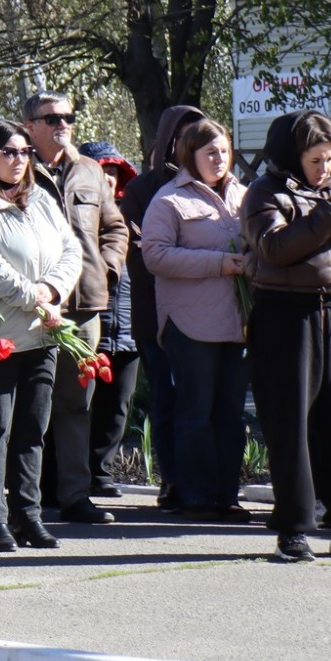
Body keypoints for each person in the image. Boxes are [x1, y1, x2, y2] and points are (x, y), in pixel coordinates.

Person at [242, 110, 331, 562]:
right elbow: (276, 249)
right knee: (290, 424)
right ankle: (293, 528)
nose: (326, 169)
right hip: (286, 316)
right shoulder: (265, 192)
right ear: (292, 156)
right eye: (315, 160)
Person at [0, 120, 81, 552]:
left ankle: (28, 515)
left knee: (32, 430)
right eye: (8, 152)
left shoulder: (41, 198)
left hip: (41, 333)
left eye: (25, 152)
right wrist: (36, 299)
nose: (18, 160)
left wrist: (52, 293)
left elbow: (71, 250)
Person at [20, 93, 128, 527]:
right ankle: (27, 497)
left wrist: (109, 269)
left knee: (75, 404)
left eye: (68, 116)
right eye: (51, 118)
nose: (62, 123)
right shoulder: (16, 166)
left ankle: (75, 496)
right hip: (32, 305)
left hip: (84, 306)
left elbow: (116, 226)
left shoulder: (88, 171)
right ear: (30, 125)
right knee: (30, 404)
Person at [141, 117, 251, 521]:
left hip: (238, 324)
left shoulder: (245, 195)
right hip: (192, 325)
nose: (219, 159)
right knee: (196, 411)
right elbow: (155, 255)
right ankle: (197, 495)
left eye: (223, 151)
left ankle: (227, 494)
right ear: (191, 156)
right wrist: (221, 264)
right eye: (210, 153)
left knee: (230, 413)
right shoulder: (169, 200)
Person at [121, 104, 205, 511]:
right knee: (168, 398)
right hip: (156, 313)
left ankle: (203, 479)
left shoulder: (218, 185)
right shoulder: (143, 189)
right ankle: (172, 478)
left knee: (204, 399)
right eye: (185, 139)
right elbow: (142, 255)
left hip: (210, 312)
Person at [78, 141, 141, 499]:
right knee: (80, 406)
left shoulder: (127, 215)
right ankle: (74, 475)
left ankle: (102, 473)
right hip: (89, 326)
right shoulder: (78, 215)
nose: (107, 177)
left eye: (113, 171)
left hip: (128, 329)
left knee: (117, 406)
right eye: (101, 169)